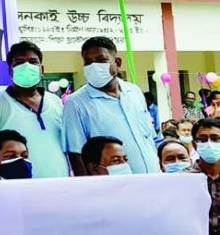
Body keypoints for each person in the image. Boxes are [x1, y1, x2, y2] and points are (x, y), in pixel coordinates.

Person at [0, 41, 68, 178]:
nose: (27, 67)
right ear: (10, 70)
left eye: (33, 62)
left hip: (59, 187)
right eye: (19, 63)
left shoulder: (55, 102)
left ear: (42, 70)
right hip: (18, 191)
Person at [62, 36, 159, 176]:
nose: (94, 66)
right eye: (88, 62)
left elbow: (149, 137)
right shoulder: (75, 103)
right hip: (114, 188)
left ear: (117, 63)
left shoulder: (134, 92)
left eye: (101, 60)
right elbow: (76, 154)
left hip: (152, 180)